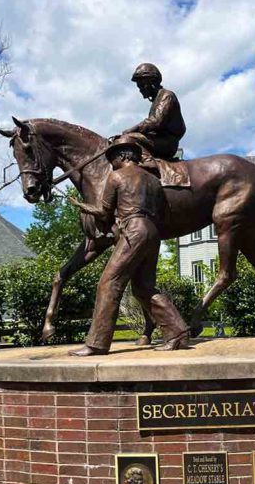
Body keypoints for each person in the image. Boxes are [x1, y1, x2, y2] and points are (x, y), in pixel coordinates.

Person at [67, 141, 190, 356]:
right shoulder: (153, 180)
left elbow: (105, 212)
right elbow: (163, 212)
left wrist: (81, 206)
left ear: (123, 156)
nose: (111, 164)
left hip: (133, 231)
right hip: (153, 233)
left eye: (112, 159)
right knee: (144, 287)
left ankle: (96, 343)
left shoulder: (117, 177)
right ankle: (177, 332)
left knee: (109, 283)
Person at [117, 63, 186, 161]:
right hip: (158, 139)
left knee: (129, 138)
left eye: (142, 85)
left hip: (167, 143)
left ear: (152, 81)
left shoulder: (167, 96)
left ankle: (148, 162)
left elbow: (155, 121)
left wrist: (131, 130)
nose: (140, 90)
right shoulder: (157, 99)